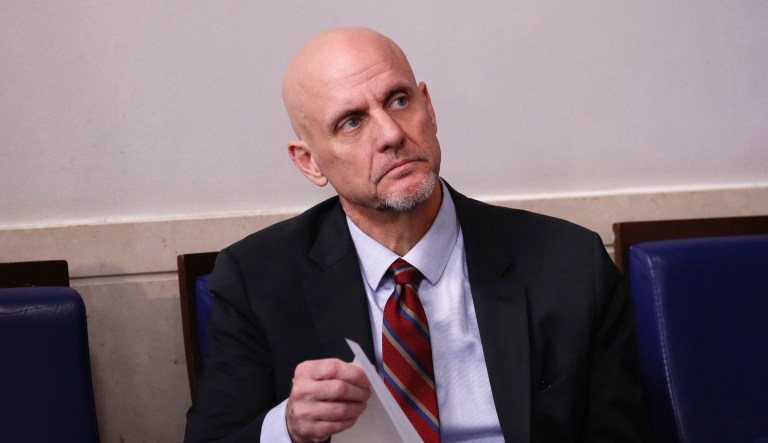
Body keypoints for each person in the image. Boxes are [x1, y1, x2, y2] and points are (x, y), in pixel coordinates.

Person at [184, 27, 648, 442]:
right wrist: (288, 428)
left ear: (429, 106)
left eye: (399, 101)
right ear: (310, 162)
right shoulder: (257, 279)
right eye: (352, 122)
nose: (390, 133)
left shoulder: (571, 264)